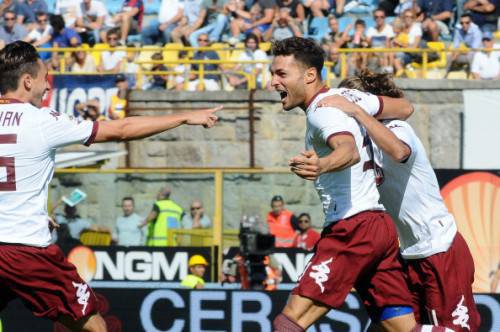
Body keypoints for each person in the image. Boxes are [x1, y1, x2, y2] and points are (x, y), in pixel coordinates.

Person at [0, 40, 219, 332]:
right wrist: (183, 116)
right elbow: (121, 129)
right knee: (94, 326)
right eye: (45, 79)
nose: (48, 87)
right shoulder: (40, 120)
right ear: (27, 81)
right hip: (26, 250)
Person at [269, 37, 423, 332]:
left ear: (310, 75)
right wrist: (355, 112)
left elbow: (347, 150)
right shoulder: (347, 97)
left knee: (288, 323)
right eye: (273, 73)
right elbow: (404, 108)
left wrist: (321, 164)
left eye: (281, 74)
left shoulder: (321, 111)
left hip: (352, 228)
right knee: (404, 329)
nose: (273, 82)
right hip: (379, 226)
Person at [324, 70, 481, 331]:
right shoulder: (361, 144)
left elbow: (399, 151)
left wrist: (356, 112)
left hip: (439, 248)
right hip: (408, 255)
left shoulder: (396, 128)